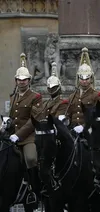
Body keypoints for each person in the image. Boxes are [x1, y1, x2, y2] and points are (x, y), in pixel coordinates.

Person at [9, 53, 43, 207]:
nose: (21, 82)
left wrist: (18, 135)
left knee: (31, 159)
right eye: (19, 80)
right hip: (12, 136)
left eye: (24, 80)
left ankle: (34, 191)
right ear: (16, 81)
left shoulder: (35, 97)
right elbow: (12, 117)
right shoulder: (13, 96)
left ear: (29, 81)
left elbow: (33, 121)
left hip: (28, 137)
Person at [67, 47, 100, 132]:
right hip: (72, 130)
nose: (84, 81)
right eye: (82, 79)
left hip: (90, 131)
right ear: (78, 78)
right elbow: (69, 114)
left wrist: (84, 127)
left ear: (91, 79)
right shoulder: (72, 96)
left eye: (87, 79)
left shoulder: (97, 95)